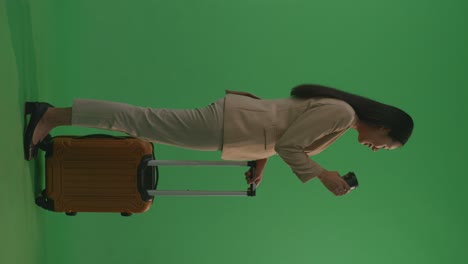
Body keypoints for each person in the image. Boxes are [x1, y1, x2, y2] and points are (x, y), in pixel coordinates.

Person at [23, 84, 414, 196]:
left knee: (142, 123)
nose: (378, 148)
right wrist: (324, 174)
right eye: (386, 143)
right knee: (140, 121)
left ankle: (54, 116)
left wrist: (260, 164)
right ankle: (52, 116)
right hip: (230, 125)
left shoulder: (342, 120)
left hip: (235, 127)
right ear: (384, 127)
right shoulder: (342, 114)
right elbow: (288, 144)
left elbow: (282, 130)